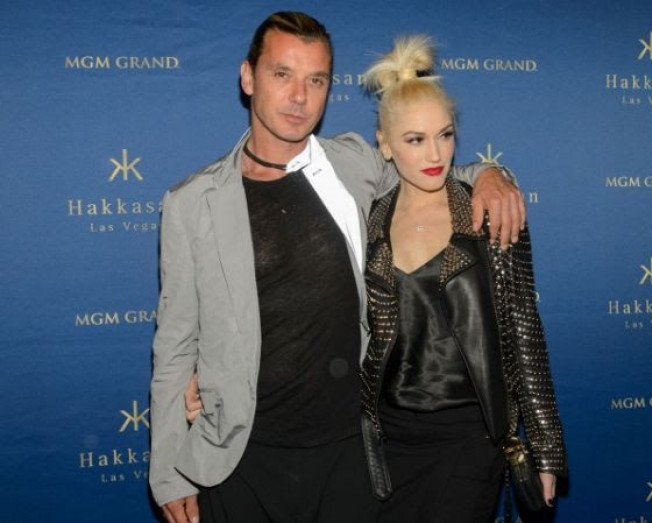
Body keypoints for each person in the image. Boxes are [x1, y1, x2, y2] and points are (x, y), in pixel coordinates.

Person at [149, 11, 526, 523]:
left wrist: (490, 174)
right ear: (247, 77)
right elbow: (175, 347)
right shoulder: (192, 203)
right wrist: (169, 470)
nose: (299, 97)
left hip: (352, 455)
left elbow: (433, 171)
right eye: (282, 74)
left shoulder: (353, 164)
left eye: (316, 80)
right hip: (239, 460)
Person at [357, 36, 566, 523]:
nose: (435, 153)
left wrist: (546, 447)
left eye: (445, 135)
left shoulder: (488, 212)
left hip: (471, 435)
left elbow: (523, 329)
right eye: (415, 139)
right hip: (389, 437)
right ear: (385, 145)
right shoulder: (367, 221)